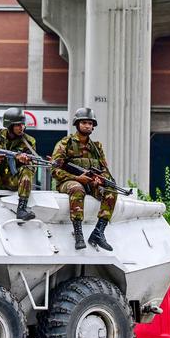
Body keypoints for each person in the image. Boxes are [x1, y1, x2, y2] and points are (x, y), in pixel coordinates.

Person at [50, 107, 118, 251]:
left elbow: (104, 170)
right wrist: (77, 178)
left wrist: (100, 179)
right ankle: (78, 233)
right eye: (84, 123)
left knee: (111, 189)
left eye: (90, 123)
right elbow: (55, 170)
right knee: (77, 189)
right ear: (77, 124)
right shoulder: (65, 143)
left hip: (90, 182)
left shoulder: (96, 147)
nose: (88, 125)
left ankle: (98, 232)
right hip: (68, 182)